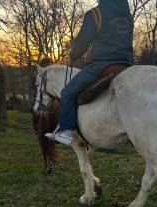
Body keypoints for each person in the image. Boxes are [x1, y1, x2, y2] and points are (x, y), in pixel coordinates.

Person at [46, 0, 134, 146]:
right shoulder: (127, 15)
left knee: (67, 92)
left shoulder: (96, 13)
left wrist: (74, 56)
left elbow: (83, 42)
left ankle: (67, 131)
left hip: (102, 63)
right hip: (127, 64)